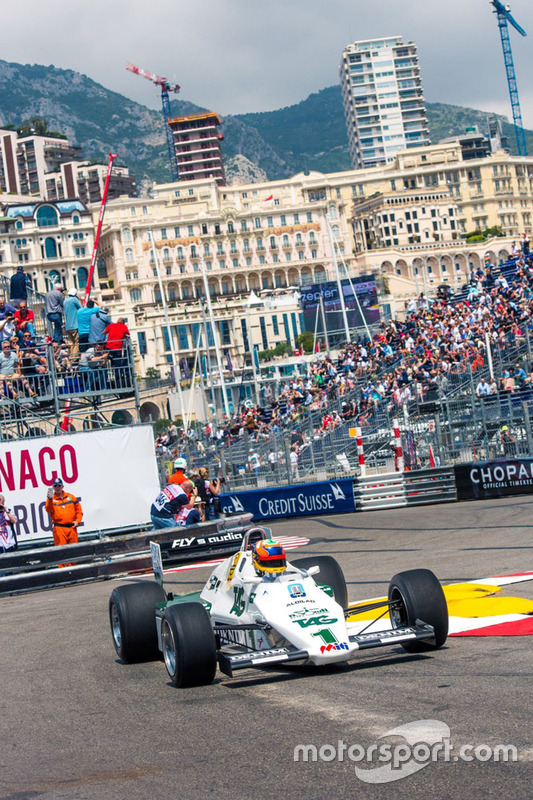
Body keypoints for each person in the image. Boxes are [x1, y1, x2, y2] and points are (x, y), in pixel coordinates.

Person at [44, 477, 83, 546]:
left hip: (72, 528)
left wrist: (78, 521)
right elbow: (48, 509)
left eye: (59, 485)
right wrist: (49, 499)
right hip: (59, 529)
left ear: (62, 486)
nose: (57, 487)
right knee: (61, 551)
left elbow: (79, 510)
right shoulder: (51, 499)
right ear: (53, 487)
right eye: (55, 486)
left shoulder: (71, 497)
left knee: (74, 550)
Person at [63, 288, 82, 358]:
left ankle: (70, 357)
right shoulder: (74, 299)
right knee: (76, 342)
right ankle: (74, 358)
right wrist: (80, 301)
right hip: (75, 325)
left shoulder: (65, 301)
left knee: (70, 343)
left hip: (68, 326)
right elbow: (81, 309)